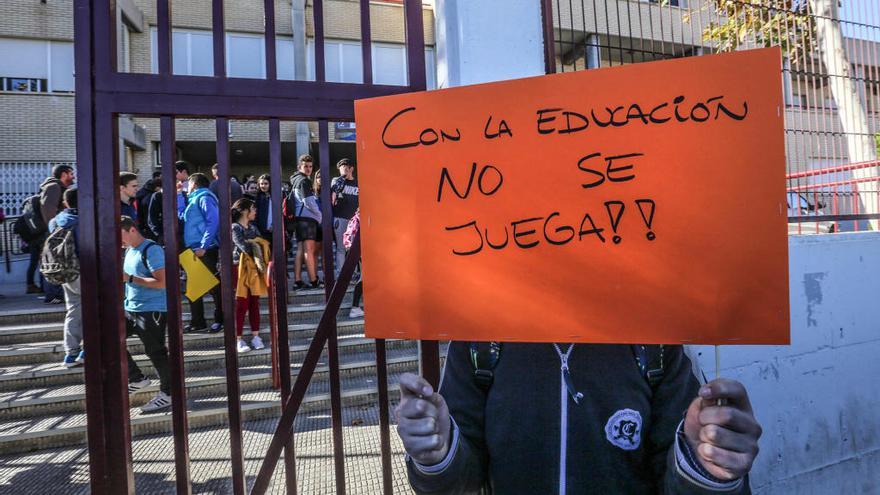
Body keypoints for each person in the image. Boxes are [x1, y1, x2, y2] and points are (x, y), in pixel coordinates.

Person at [397, 344, 763, 494]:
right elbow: (461, 479)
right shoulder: (481, 343)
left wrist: (707, 464)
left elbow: (673, 478)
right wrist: (437, 456)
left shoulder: (654, 343)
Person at [120, 216, 173, 413]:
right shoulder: (130, 250)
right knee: (109, 341)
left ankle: (168, 393)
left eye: (121, 236)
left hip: (152, 309)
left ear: (132, 230)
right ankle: (137, 378)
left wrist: (131, 278)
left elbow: (162, 282)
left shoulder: (152, 250)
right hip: (131, 308)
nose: (120, 241)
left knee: (156, 352)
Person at [178, 173, 223, 333]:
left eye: (187, 184)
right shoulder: (192, 200)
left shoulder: (204, 197)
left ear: (194, 185)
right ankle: (198, 321)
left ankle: (221, 319)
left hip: (205, 248)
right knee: (194, 288)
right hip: (194, 248)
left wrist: (204, 245)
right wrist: (178, 196)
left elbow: (214, 220)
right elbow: (182, 216)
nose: (186, 187)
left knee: (214, 287)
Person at [47, 188, 84, 368]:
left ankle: (71, 353)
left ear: (65, 202)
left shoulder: (55, 221)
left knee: (73, 310)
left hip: (64, 272)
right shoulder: (84, 221)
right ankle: (87, 350)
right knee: (96, 308)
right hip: (84, 271)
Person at [26, 165, 75, 295]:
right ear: (63, 174)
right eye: (71, 173)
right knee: (51, 261)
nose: (73, 176)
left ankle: (49, 292)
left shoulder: (57, 187)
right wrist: (54, 231)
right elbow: (48, 210)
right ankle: (52, 294)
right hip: (50, 232)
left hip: (52, 231)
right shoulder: (53, 187)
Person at [230, 198, 269, 353]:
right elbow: (245, 246)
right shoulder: (235, 227)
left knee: (255, 302)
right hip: (239, 268)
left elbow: (262, 243)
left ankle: (255, 335)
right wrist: (255, 243)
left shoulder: (253, 227)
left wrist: (255, 244)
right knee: (242, 303)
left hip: (254, 268)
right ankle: (238, 339)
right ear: (245, 210)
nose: (255, 212)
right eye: (253, 209)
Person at [288, 155, 322, 290]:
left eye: (310, 166)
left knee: (301, 250)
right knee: (309, 250)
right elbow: (308, 202)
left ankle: (297, 281)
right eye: (305, 166)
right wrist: (320, 216)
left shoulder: (297, 180)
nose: (308, 169)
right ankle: (314, 280)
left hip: (300, 219)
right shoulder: (303, 181)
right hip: (307, 220)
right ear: (299, 167)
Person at [330, 158, 359, 278]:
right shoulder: (337, 181)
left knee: (354, 248)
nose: (343, 171)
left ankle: (355, 273)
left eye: (346, 168)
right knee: (341, 248)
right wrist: (342, 177)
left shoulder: (358, 183)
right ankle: (341, 274)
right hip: (340, 217)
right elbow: (333, 192)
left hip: (354, 220)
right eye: (341, 169)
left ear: (351, 168)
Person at [342, 209, 363, 318]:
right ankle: (355, 307)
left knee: (364, 278)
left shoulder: (355, 217)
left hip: (356, 250)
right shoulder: (362, 217)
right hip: (363, 250)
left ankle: (356, 307)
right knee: (365, 278)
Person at [255, 174, 274, 246]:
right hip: (262, 231)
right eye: (261, 184)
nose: (263, 186)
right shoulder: (258, 197)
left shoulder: (276, 196)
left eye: (266, 183)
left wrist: (274, 225)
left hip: (275, 230)